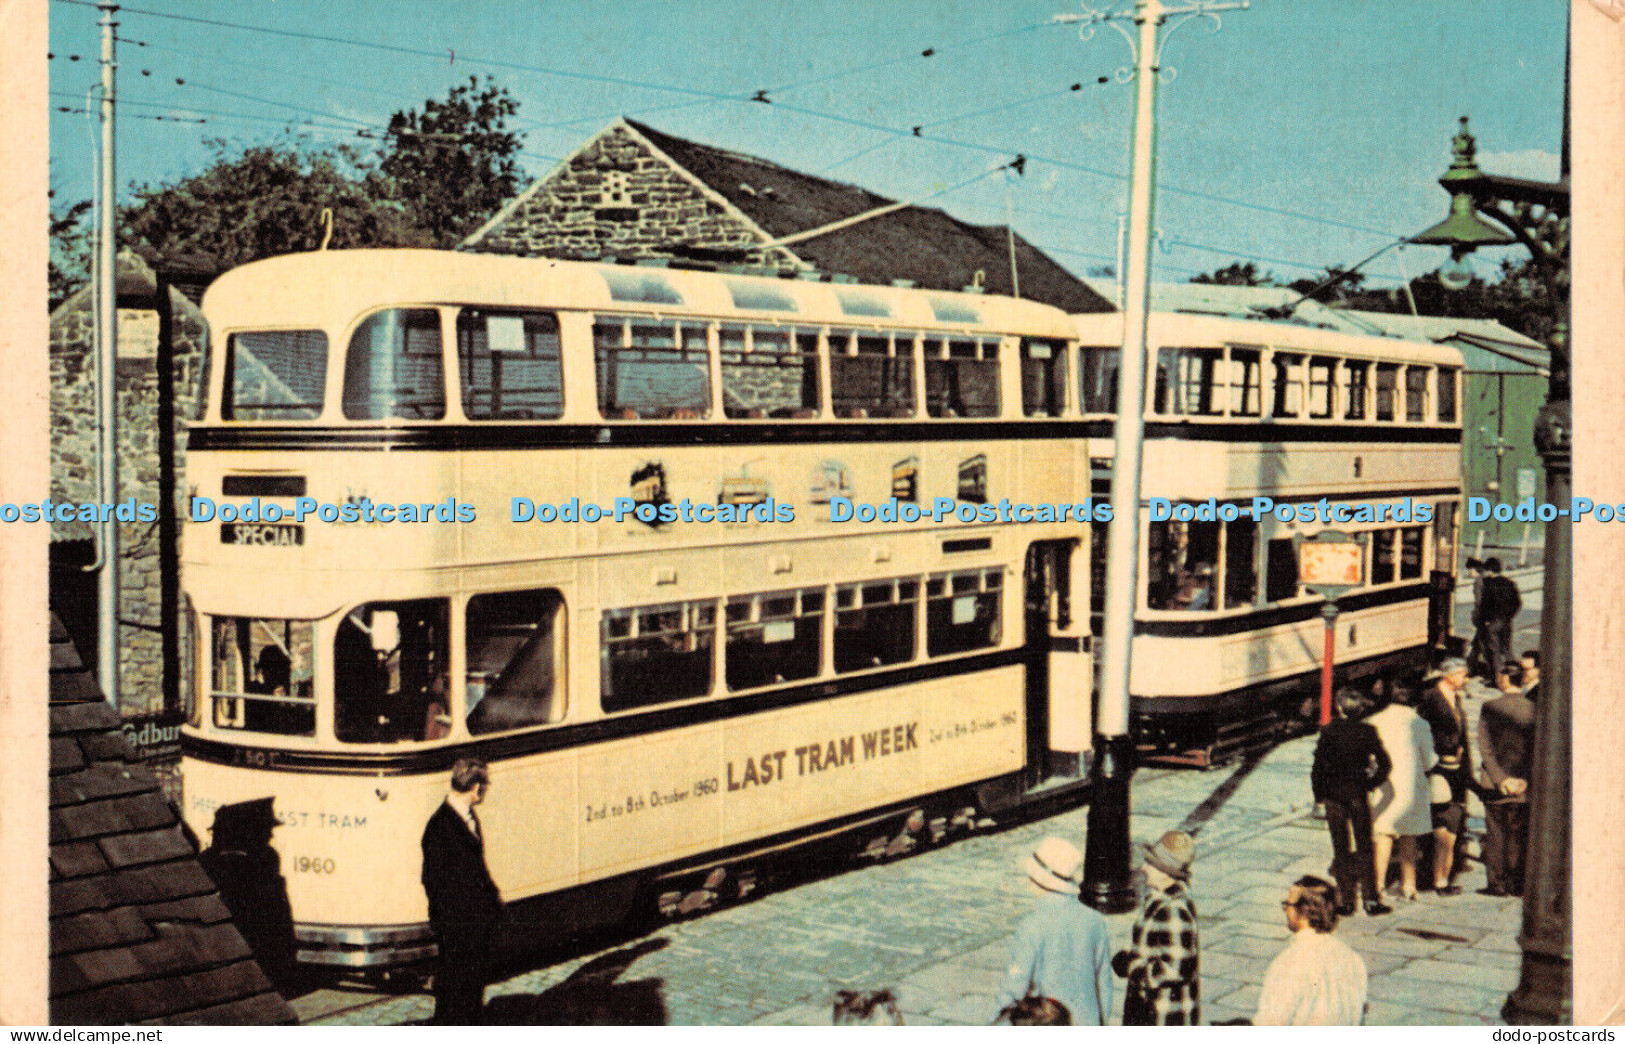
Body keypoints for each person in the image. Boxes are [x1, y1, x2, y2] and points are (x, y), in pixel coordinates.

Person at [995, 836, 1113, 1027]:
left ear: (1035, 881)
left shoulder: (1032, 924)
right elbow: (1104, 984)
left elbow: (1016, 984)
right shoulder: (1095, 920)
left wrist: (995, 1019)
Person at [421, 758, 504, 1024]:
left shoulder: (467, 817)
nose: (486, 790)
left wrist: (492, 902)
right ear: (476, 787)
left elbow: (477, 868)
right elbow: (433, 881)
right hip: (457, 924)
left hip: (472, 922)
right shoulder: (440, 826)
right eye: (485, 785)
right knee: (455, 988)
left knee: (471, 985)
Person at [1311, 688, 1392, 915]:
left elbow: (1317, 769)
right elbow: (1385, 764)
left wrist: (1319, 796)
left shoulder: (1328, 731)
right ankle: (1370, 899)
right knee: (1364, 847)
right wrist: (1371, 783)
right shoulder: (1367, 731)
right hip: (1358, 795)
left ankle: (1346, 901)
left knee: (1341, 848)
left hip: (1334, 797)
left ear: (1339, 707)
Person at [1113, 831, 1200, 1025]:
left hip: (1164, 1015)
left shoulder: (1173, 909)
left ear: (1164, 872)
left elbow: (1176, 969)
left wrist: (1132, 967)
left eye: (1150, 864)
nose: (1143, 867)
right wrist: (1130, 954)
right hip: (1150, 1007)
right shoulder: (1159, 897)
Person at [1254, 877, 1368, 1026]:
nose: (1285, 909)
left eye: (1287, 904)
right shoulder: (1352, 958)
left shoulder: (1289, 963)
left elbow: (1271, 1023)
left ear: (1303, 911)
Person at [1365, 680, 1437, 901]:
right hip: (1411, 786)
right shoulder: (1420, 723)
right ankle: (1409, 885)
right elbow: (1430, 760)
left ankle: (1378, 885)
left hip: (1384, 786)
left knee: (1383, 835)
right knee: (1409, 836)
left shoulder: (1374, 721)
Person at [1478, 663, 1535, 896]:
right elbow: (1536, 749)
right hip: (1523, 784)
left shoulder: (1490, 707)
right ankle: (1517, 882)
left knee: (1496, 833)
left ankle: (1497, 883)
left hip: (1495, 783)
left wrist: (1500, 779)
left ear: (1504, 680)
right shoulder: (1533, 708)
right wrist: (1524, 779)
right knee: (1518, 834)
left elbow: (1485, 747)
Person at [1417, 659, 1471, 894]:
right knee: (1440, 820)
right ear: (1449, 675)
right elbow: (1424, 733)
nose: (1466, 679)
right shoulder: (1430, 698)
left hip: (1455, 769)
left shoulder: (1455, 698)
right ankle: (1436, 877)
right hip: (1437, 768)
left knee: (1451, 821)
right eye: (1463, 675)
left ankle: (1442, 876)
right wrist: (1442, 753)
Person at [1471, 558, 1522, 681]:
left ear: (1489, 570)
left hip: (1494, 622)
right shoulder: (1509, 583)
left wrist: (1486, 620)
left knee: (1494, 650)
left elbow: (1485, 605)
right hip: (1507, 621)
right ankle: (1514, 675)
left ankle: (1498, 678)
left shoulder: (1489, 584)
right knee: (1507, 648)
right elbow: (1517, 603)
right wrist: (1509, 615)